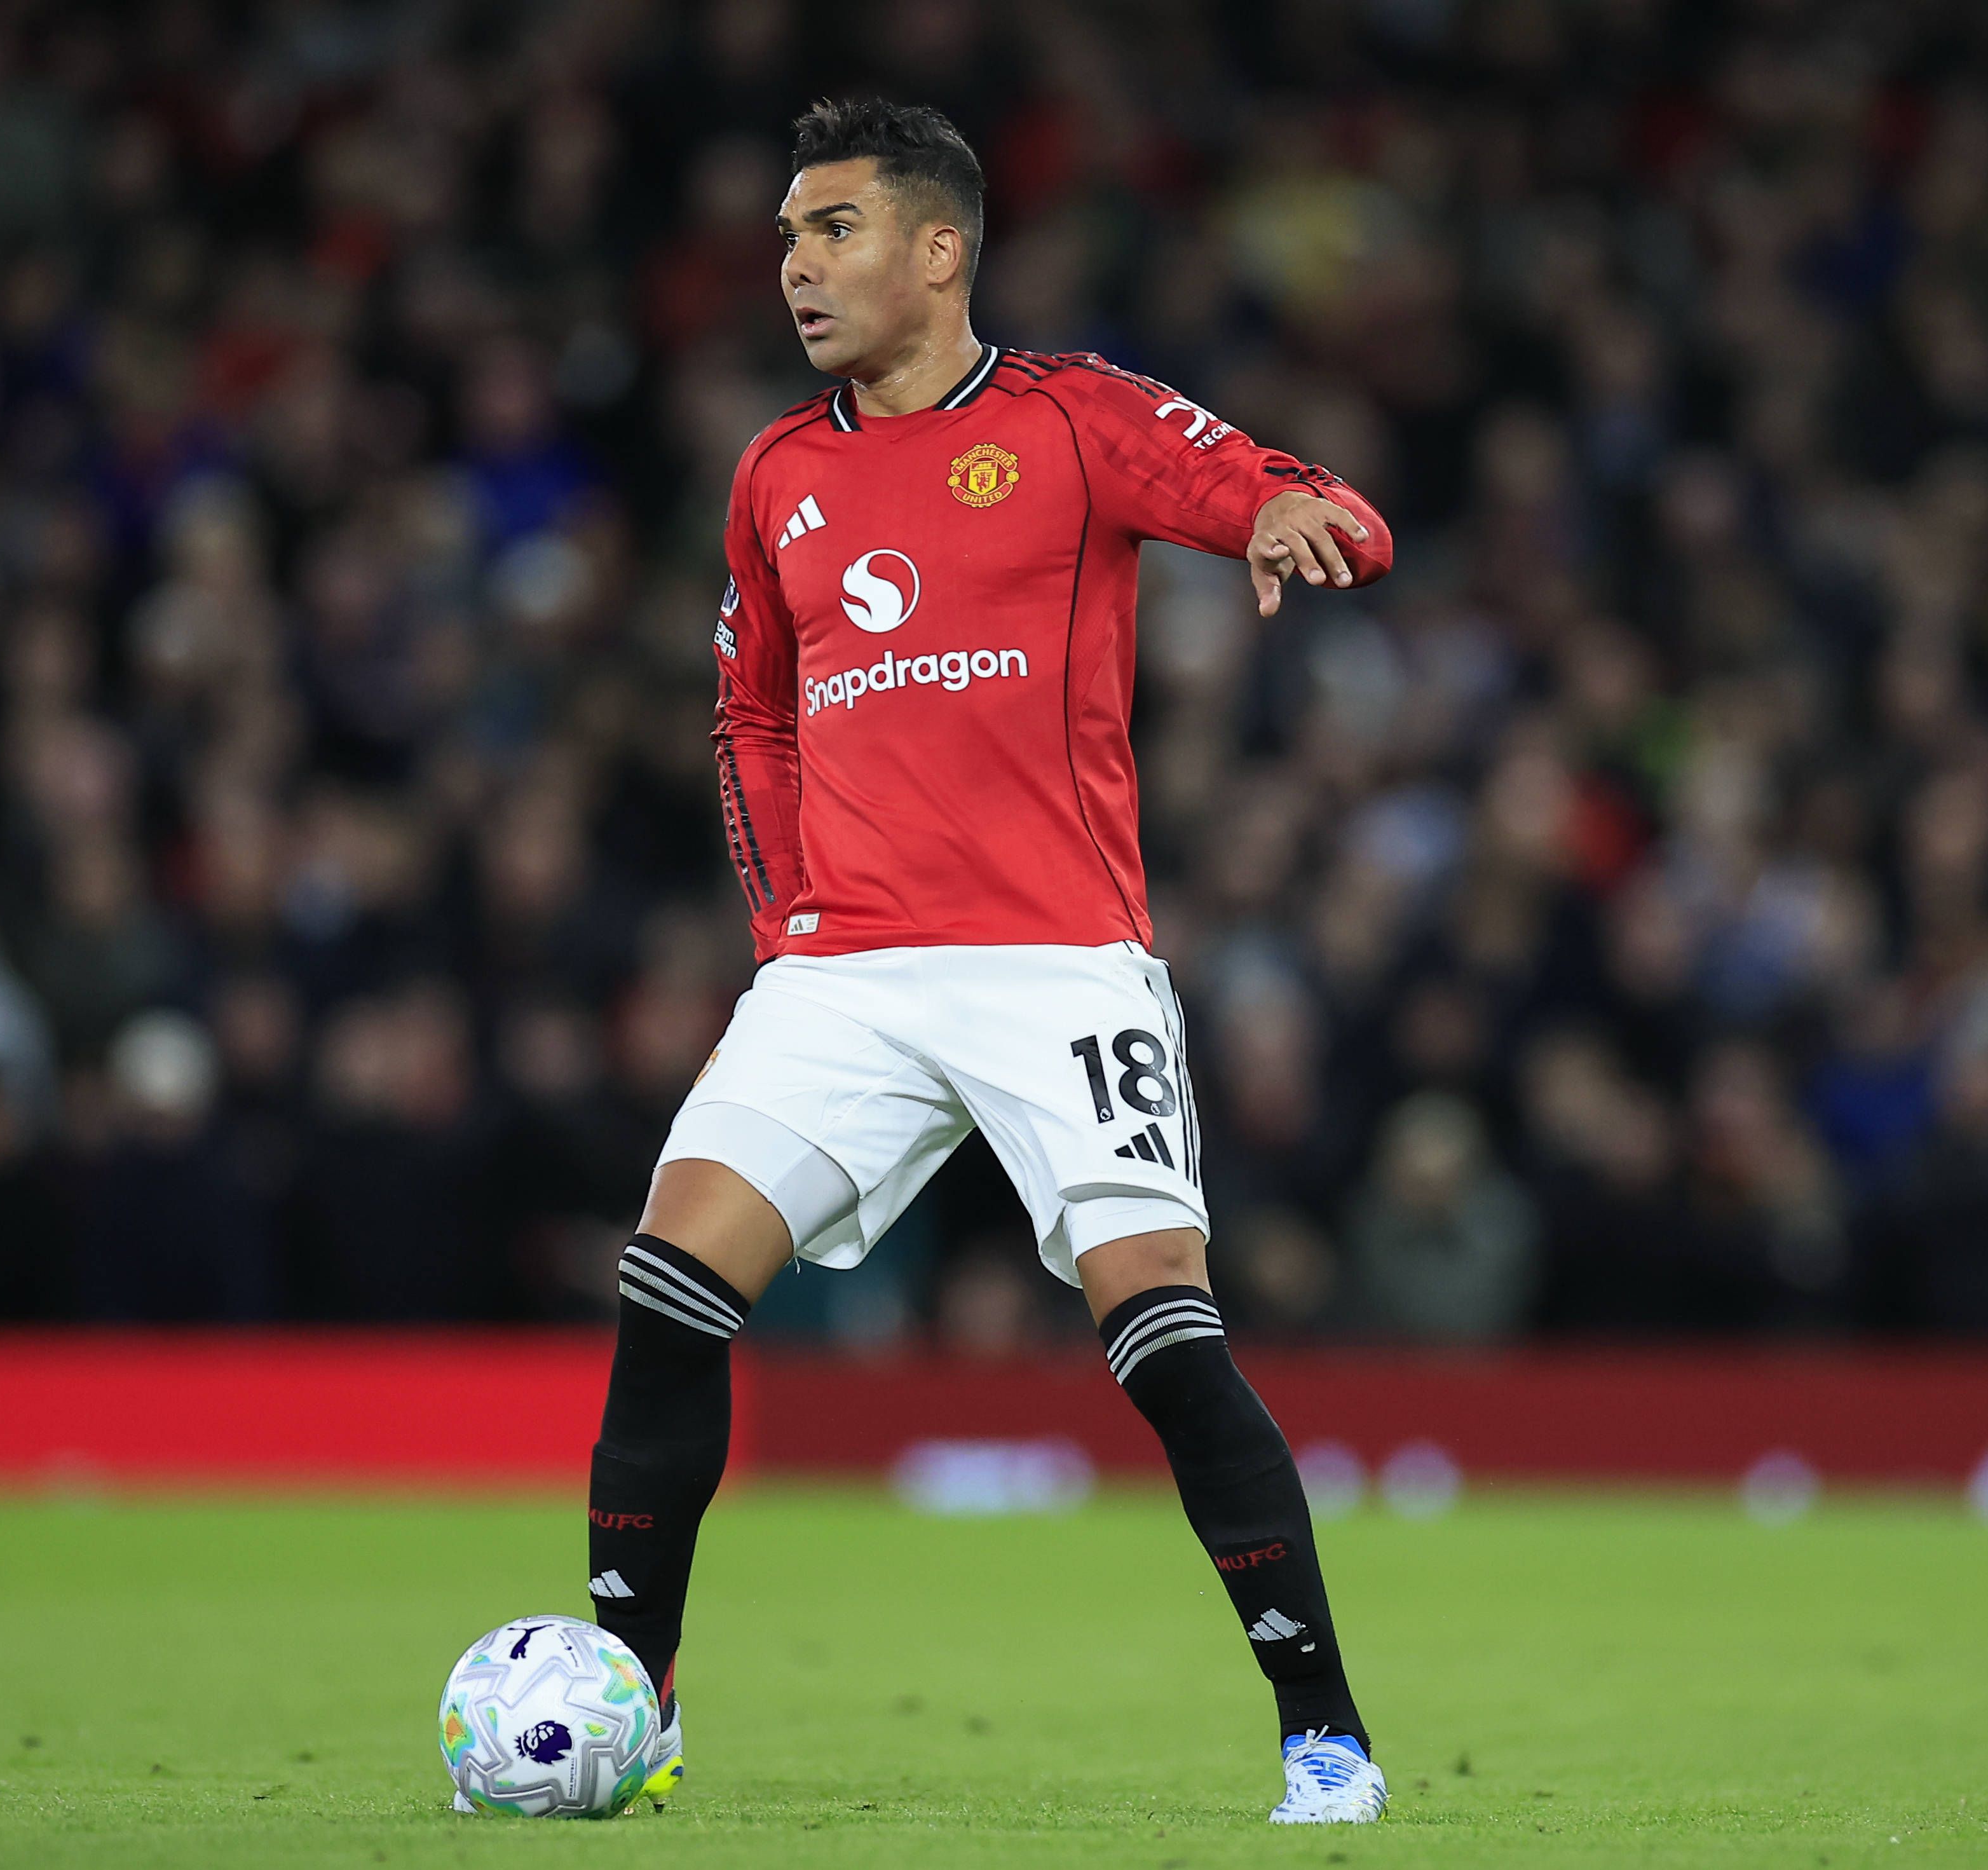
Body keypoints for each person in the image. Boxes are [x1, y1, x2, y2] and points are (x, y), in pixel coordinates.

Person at [560, 98, 1396, 1827]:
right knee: (664, 1290)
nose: (797, 267)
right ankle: (628, 1701)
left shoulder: (1075, 419)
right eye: (789, 237)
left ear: (939, 251)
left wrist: (1303, 518)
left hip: (1056, 966)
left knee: (1162, 1335)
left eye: (835, 231)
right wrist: (790, 916)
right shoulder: (778, 474)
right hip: (846, 975)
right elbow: (751, 712)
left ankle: (1325, 1732)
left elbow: (1282, 488)